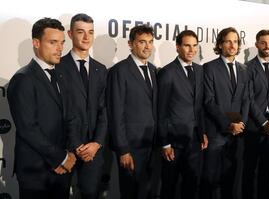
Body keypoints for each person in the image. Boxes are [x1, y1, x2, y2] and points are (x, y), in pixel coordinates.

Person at [7, 18, 76, 199]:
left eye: (62, 43)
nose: (60, 48)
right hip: (36, 172)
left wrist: (69, 155)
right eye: (53, 42)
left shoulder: (61, 76)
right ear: (36, 43)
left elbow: (68, 117)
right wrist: (61, 158)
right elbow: (28, 129)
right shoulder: (23, 79)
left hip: (62, 170)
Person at [56, 13, 107, 199]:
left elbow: (104, 110)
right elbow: (59, 111)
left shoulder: (101, 69)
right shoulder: (57, 66)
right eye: (80, 32)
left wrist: (97, 143)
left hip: (94, 150)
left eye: (90, 32)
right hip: (64, 148)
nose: (86, 37)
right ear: (70, 34)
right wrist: (76, 145)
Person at [106, 25, 157, 199]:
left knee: (148, 192)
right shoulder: (119, 71)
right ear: (131, 44)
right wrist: (123, 149)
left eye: (150, 42)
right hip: (131, 146)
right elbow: (115, 112)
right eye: (142, 42)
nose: (147, 46)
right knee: (130, 192)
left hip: (151, 144)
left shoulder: (152, 70)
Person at [200, 27, 251, 199]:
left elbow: (246, 100)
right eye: (228, 41)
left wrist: (240, 124)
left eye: (235, 41)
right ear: (220, 44)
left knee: (230, 179)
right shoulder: (209, 68)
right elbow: (208, 101)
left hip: (236, 135)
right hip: (216, 134)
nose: (232, 45)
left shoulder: (244, 70)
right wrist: (228, 125)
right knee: (209, 179)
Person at [157, 30, 208, 199]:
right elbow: (161, 110)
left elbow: (199, 106)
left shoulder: (200, 71)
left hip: (194, 140)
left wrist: (202, 133)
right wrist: (165, 143)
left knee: (191, 184)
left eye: (195, 46)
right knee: (169, 186)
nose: (191, 50)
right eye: (187, 45)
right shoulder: (167, 72)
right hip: (173, 142)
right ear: (178, 47)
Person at [242, 29, 269, 199]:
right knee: (249, 170)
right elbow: (249, 99)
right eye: (263, 42)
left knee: (267, 170)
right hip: (253, 127)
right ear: (257, 44)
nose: (267, 46)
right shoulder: (247, 68)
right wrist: (263, 123)